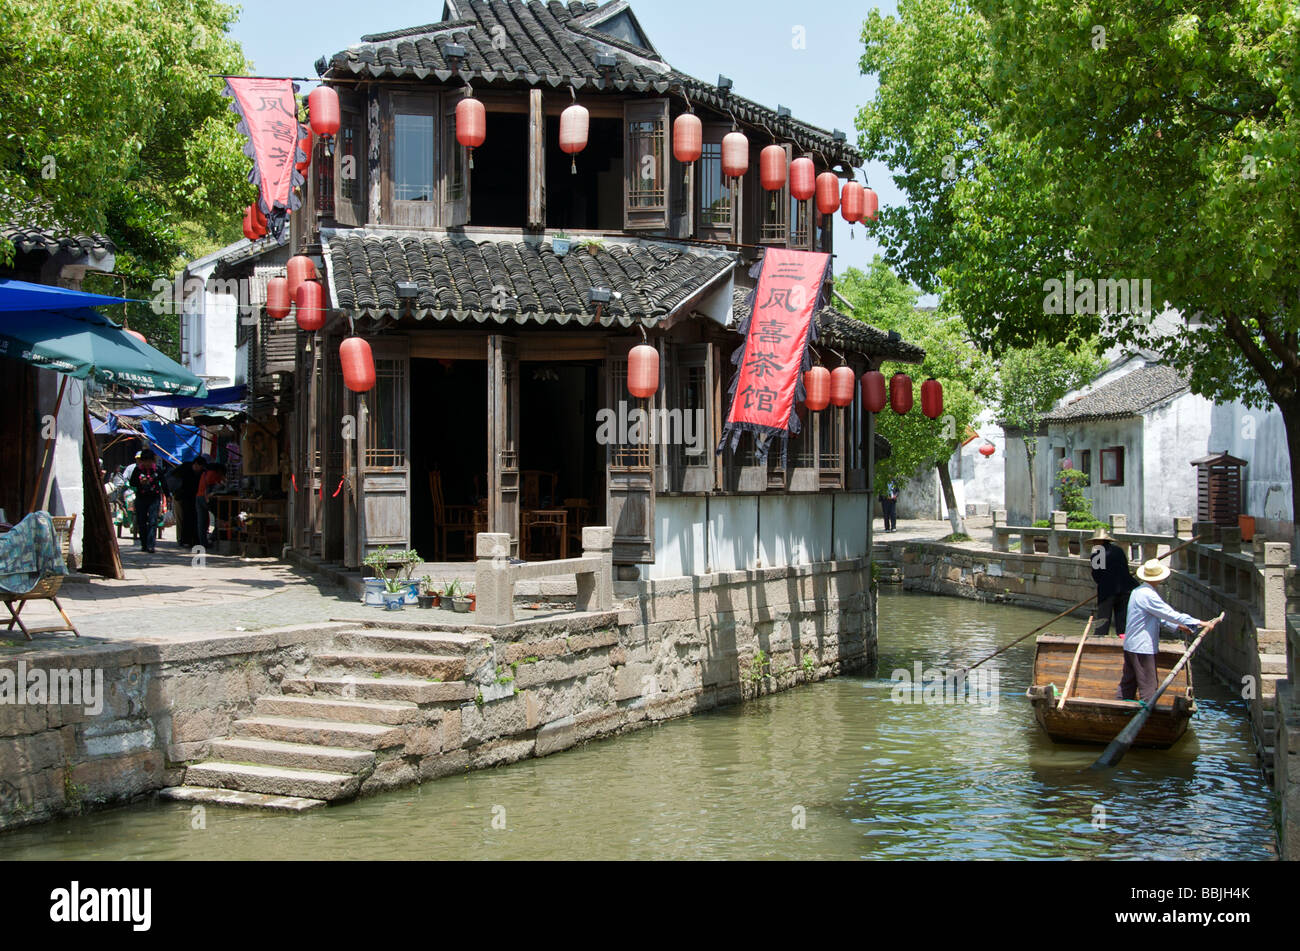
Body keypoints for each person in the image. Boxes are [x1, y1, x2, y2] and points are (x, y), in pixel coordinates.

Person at [1118, 559, 1208, 703]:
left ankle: (1121, 706)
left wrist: (1179, 626)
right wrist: (1197, 622)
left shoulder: (1138, 591)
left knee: (1128, 683)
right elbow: (1169, 613)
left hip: (1131, 645)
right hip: (1142, 647)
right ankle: (1146, 712)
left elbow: (1159, 617)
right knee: (1148, 685)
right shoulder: (1148, 594)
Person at [1088, 528, 1138, 639]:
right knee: (1122, 619)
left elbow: (1097, 576)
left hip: (1108, 592)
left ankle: (1099, 640)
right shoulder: (1118, 550)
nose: (1094, 543)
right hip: (1126, 589)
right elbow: (1124, 568)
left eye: (1095, 541)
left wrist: (1105, 584)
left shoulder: (1097, 554)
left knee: (1103, 620)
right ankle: (1123, 640)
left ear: (1100, 541)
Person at [129, 450, 163, 553]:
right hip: (141, 498)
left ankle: (151, 545)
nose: (147, 464)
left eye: (149, 461)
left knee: (153, 521)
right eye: (145, 461)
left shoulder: (157, 470)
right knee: (142, 522)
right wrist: (140, 482)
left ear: (153, 461)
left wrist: (167, 494)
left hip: (154, 498)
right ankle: (144, 544)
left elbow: (164, 482)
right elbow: (132, 483)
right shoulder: (137, 470)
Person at [176, 455, 205, 548]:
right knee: (185, 519)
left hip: (195, 499)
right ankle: (185, 540)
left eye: (200, 466)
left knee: (196, 519)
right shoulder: (186, 471)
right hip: (185, 499)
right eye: (196, 465)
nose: (197, 467)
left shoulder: (202, 474)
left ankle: (195, 539)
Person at [195, 462, 226, 548]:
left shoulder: (205, 473)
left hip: (198, 497)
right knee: (219, 517)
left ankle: (203, 543)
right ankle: (214, 537)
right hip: (207, 498)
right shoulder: (213, 474)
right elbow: (214, 486)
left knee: (201, 522)